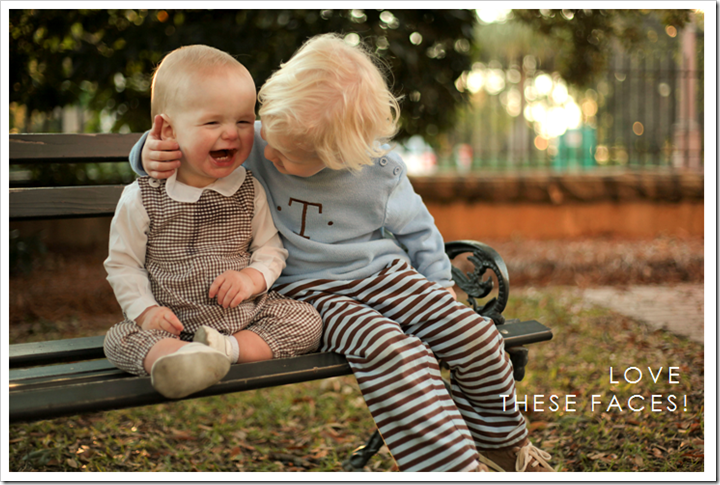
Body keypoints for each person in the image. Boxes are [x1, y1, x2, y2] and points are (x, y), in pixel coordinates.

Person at [128, 34, 554, 472]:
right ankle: (451, 469)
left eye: (284, 154)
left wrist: (440, 284)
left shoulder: (378, 174)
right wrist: (148, 153)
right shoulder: (260, 141)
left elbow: (420, 231)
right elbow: (188, 144)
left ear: (336, 156)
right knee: (391, 349)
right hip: (313, 293)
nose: (266, 152)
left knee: (475, 335)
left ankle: (503, 443)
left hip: (389, 277)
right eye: (265, 134)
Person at [104, 44, 322, 400]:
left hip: (243, 317)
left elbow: (270, 249)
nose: (232, 133)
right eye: (212, 122)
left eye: (243, 121)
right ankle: (179, 359)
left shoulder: (249, 189)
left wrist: (250, 278)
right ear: (168, 130)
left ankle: (224, 351)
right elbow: (123, 263)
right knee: (120, 339)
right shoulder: (143, 197)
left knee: (306, 320)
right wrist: (145, 312)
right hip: (171, 322)